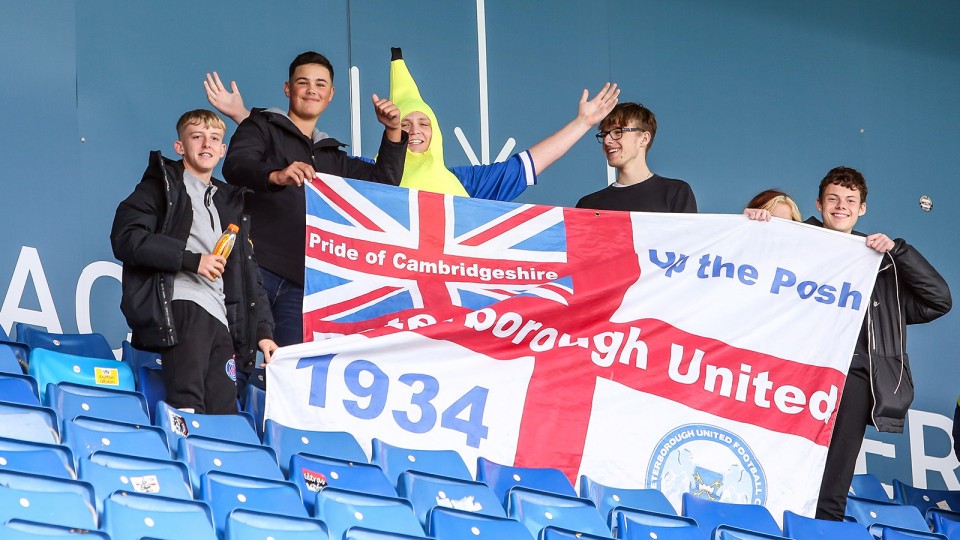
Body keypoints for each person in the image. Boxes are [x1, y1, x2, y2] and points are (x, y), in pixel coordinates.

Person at [205, 47, 618, 202]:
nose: (415, 129)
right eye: (406, 123)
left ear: (435, 131)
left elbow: (528, 164)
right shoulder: (374, 173)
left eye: (423, 122)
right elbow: (304, 163)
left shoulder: (464, 183)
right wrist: (244, 118)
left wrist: (583, 123)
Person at [220, 51, 408, 347]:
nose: (311, 90)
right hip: (255, 266)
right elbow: (235, 166)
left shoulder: (332, 156)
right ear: (288, 88)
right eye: (303, 82)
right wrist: (276, 175)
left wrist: (393, 129)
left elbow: (384, 181)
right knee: (237, 357)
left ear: (330, 95)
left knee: (290, 365)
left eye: (320, 84)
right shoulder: (260, 126)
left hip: (304, 282)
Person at [802, 166, 951, 520]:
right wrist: (760, 223)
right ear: (819, 204)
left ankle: (824, 530)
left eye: (850, 200)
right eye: (833, 199)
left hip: (855, 375)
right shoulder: (797, 240)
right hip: (800, 368)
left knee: (836, 475)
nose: (841, 206)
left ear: (862, 209)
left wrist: (899, 251)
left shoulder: (881, 264)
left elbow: (939, 300)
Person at [111, 110, 277, 413]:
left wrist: (263, 333)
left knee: (225, 414)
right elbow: (127, 237)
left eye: (214, 138)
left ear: (223, 150)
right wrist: (190, 260)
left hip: (221, 318)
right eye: (197, 137)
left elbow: (249, 274)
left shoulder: (229, 200)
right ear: (180, 146)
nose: (206, 144)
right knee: (187, 402)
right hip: (183, 303)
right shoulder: (162, 187)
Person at [575, 102, 696, 212]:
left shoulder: (675, 193)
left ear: (644, 139)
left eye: (618, 132)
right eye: (604, 134)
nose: (607, 140)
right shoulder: (588, 205)